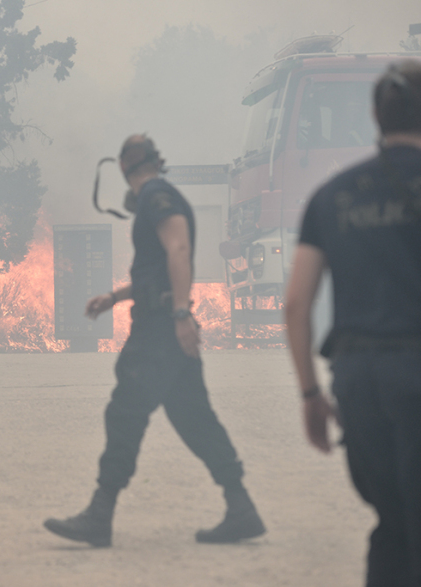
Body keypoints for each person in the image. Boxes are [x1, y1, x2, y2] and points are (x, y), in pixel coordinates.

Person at [44, 135, 265, 547]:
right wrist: (114, 297)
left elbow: (178, 250)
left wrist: (181, 314)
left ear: (125, 169)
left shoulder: (156, 197)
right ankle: (242, 507)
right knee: (195, 418)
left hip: (161, 328)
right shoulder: (157, 196)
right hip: (165, 319)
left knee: (125, 411)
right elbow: (156, 270)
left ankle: (100, 512)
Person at [285, 60, 421, 587]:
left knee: (391, 523)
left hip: (358, 380)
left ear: (374, 115)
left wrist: (309, 395)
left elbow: (296, 303)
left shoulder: (331, 196)